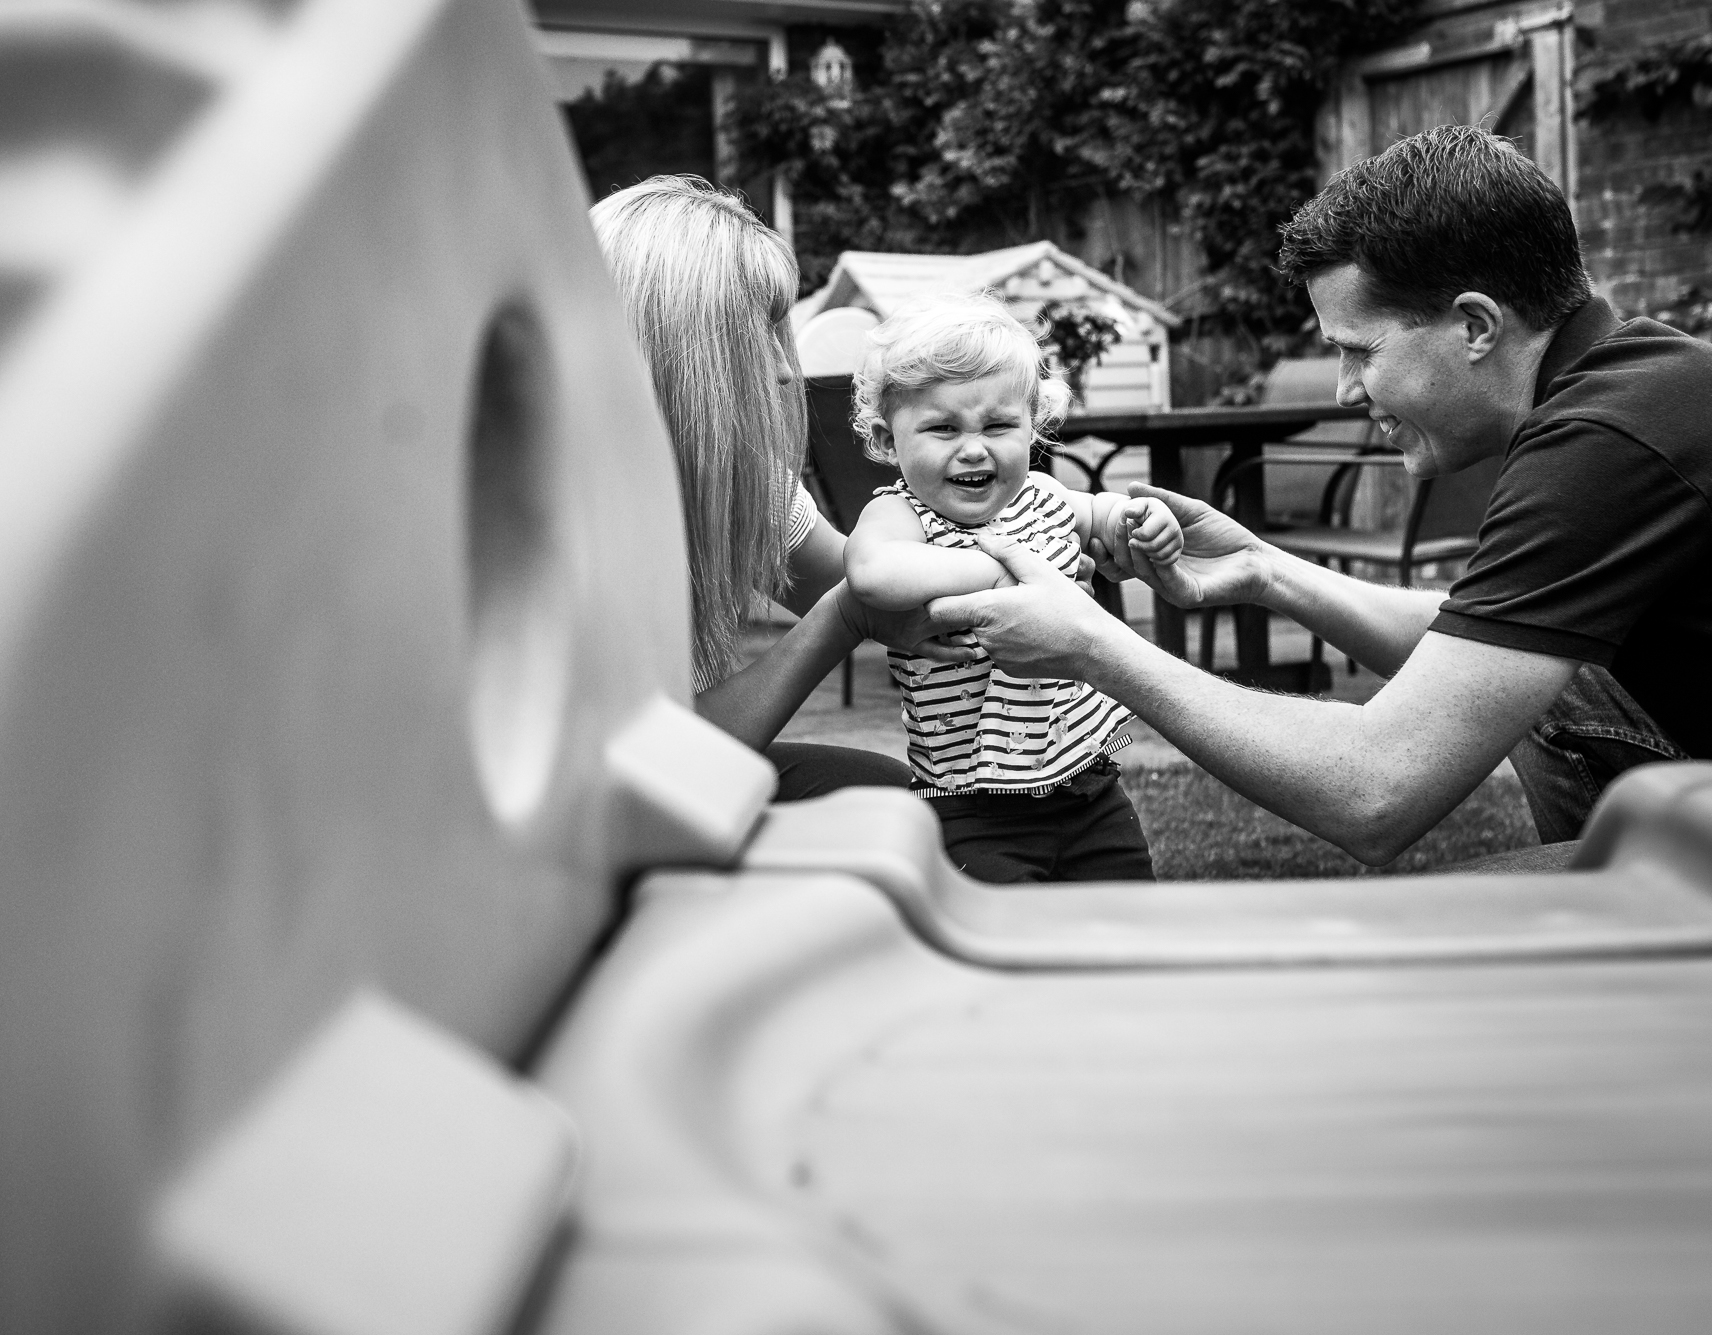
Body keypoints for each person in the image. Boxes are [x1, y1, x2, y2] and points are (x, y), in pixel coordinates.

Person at [924, 124, 1711, 867]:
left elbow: (1376, 789)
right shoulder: (1635, 385)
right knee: (1550, 680)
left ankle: (1635, 934)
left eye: (1359, 351)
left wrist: (1093, 643)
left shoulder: (1602, 444)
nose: (1344, 389)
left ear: (1476, 325)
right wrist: (1266, 570)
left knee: (1422, 932)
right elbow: (1480, 652)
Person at [589, 175, 970, 800]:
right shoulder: (559, 514)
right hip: (587, 808)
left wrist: (1056, 543)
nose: (786, 369)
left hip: (667, 773)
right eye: (754, 335)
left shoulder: (739, 480)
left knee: (899, 798)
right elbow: (651, 762)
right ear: (673, 350)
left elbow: (881, 587)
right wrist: (842, 619)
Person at [841, 295, 1180, 881]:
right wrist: (998, 572)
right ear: (888, 440)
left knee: (1123, 920)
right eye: (943, 428)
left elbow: (1102, 515)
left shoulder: (1041, 498)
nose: (974, 448)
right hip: (972, 805)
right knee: (999, 931)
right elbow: (872, 572)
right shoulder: (903, 516)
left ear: (1033, 425)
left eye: (998, 426)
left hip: (1087, 786)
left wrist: (1144, 521)